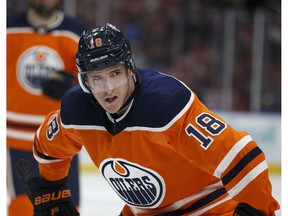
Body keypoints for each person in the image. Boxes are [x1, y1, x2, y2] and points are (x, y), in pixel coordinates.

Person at [16, 23, 280, 215]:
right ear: (84, 81)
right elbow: (47, 146)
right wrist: (53, 189)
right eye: (96, 78)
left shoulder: (165, 104)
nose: (107, 87)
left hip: (207, 208)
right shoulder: (77, 109)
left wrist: (259, 211)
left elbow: (243, 156)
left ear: (130, 69)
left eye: (114, 74)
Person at [7, 0, 85, 215]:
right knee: (23, 209)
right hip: (16, 137)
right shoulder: (7, 28)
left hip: (61, 138)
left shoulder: (76, 33)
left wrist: (72, 85)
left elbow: (94, 85)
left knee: (66, 210)